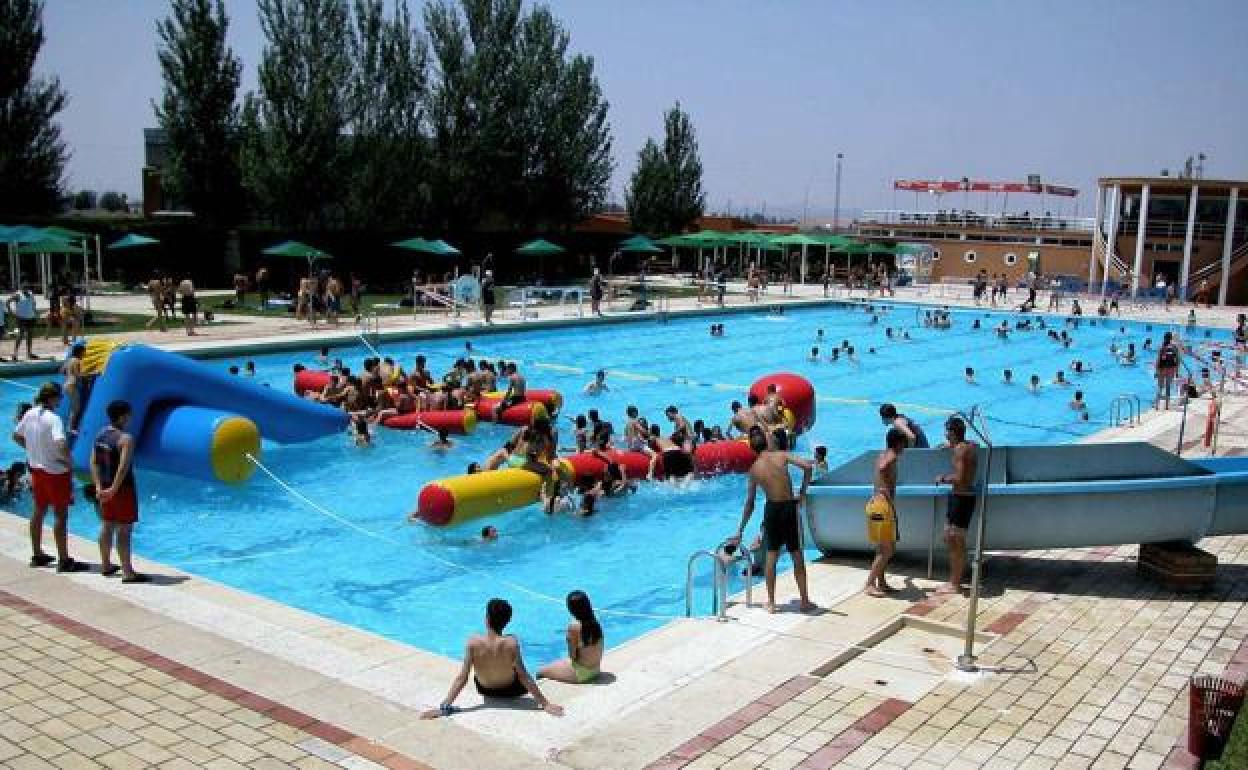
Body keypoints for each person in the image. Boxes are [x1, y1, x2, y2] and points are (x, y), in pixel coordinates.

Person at [726, 426, 816, 614]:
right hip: (789, 508)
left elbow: (750, 504)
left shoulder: (753, 470)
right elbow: (808, 466)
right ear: (766, 442)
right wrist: (802, 493)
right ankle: (805, 601)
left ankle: (772, 603)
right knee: (796, 555)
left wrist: (740, 530)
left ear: (751, 447)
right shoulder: (781, 456)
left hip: (772, 511)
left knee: (771, 557)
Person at [422, 598, 563, 718]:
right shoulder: (511, 642)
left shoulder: (473, 642)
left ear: (487, 619)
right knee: (520, 670)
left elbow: (462, 678)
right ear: (507, 622)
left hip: (485, 689)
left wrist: (444, 706)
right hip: (511, 690)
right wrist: (545, 704)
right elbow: (524, 676)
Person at [13, 383, 87, 572]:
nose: (61, 400)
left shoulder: (30, 414)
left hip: (37, 470)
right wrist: (69, 462)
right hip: (55, 472)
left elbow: (16, 436)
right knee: (61, 516)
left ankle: (37, 553)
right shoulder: (54, 419)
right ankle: (64, 559)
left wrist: (32, 450)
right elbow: (61, 443)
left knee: (38, 511)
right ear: (52, 398)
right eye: (60, 397)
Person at [89, 400, 148, 583]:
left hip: (104, 488)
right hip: (122, 489)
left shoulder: (101, 434)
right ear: (122, 416)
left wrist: (99, 487)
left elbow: (94, 462)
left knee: (107, 525)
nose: (131, 418)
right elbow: (123, 468)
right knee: (124, 531)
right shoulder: (125, 439)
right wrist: (114, 489)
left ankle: (106, 565)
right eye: (129, 414)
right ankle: (127, 572)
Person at [935, 417, 978, 594]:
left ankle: (955, 583)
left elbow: (960, 478)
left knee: (955, 541)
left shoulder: (960, 451)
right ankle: (957, 578)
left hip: (961, 498)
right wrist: (951, 446)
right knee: (950, 538)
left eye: (947, 431)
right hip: (962, 498)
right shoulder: (970, 446)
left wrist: (943, 478)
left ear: (953, 432)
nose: (945, 434)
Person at [864, 428, 906, 597]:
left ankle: (880, 582)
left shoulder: (882, 454)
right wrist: (885, 492)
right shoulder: (891, 456)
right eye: (904, 443)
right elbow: (883, 467)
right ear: (898, 443)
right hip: (882, 506)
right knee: (887, 550)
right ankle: (869, 584)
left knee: (883, 548)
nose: (905, 446)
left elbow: (882, 467)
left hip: (875, 504)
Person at [538, 590, 605, 684]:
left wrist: (568, 639)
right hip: (596, 669)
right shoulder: (595, 622)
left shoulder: (574, 627)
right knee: (559, 663)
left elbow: (572, 656)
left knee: (541, 671)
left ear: (571, 608)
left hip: (581, 674)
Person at [7, 286, 38, 360]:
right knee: (20, 335)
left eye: (27, 286)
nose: (25, 288)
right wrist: (11, 312)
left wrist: (34, 311)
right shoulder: (18, 294)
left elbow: (33, 303)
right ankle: (15, 354)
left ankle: (29, 353)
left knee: (30, 336)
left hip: (31, 317)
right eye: (24, 286)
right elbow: (8, 302)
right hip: (21, 318)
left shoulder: (31, 293)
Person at [1155, 331, 1181, 409]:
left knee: (1160, 387)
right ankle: (1166, 406)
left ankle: (1157, 406)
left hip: (1161, 369)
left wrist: (1156, 371)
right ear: (1171, 338)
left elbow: (1158, 360)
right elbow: (1178, 360)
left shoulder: (1161, 347)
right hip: (1171, 369)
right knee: (1168, 387)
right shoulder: (1174, 347)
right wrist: (1177, 371)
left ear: (1164, 338)